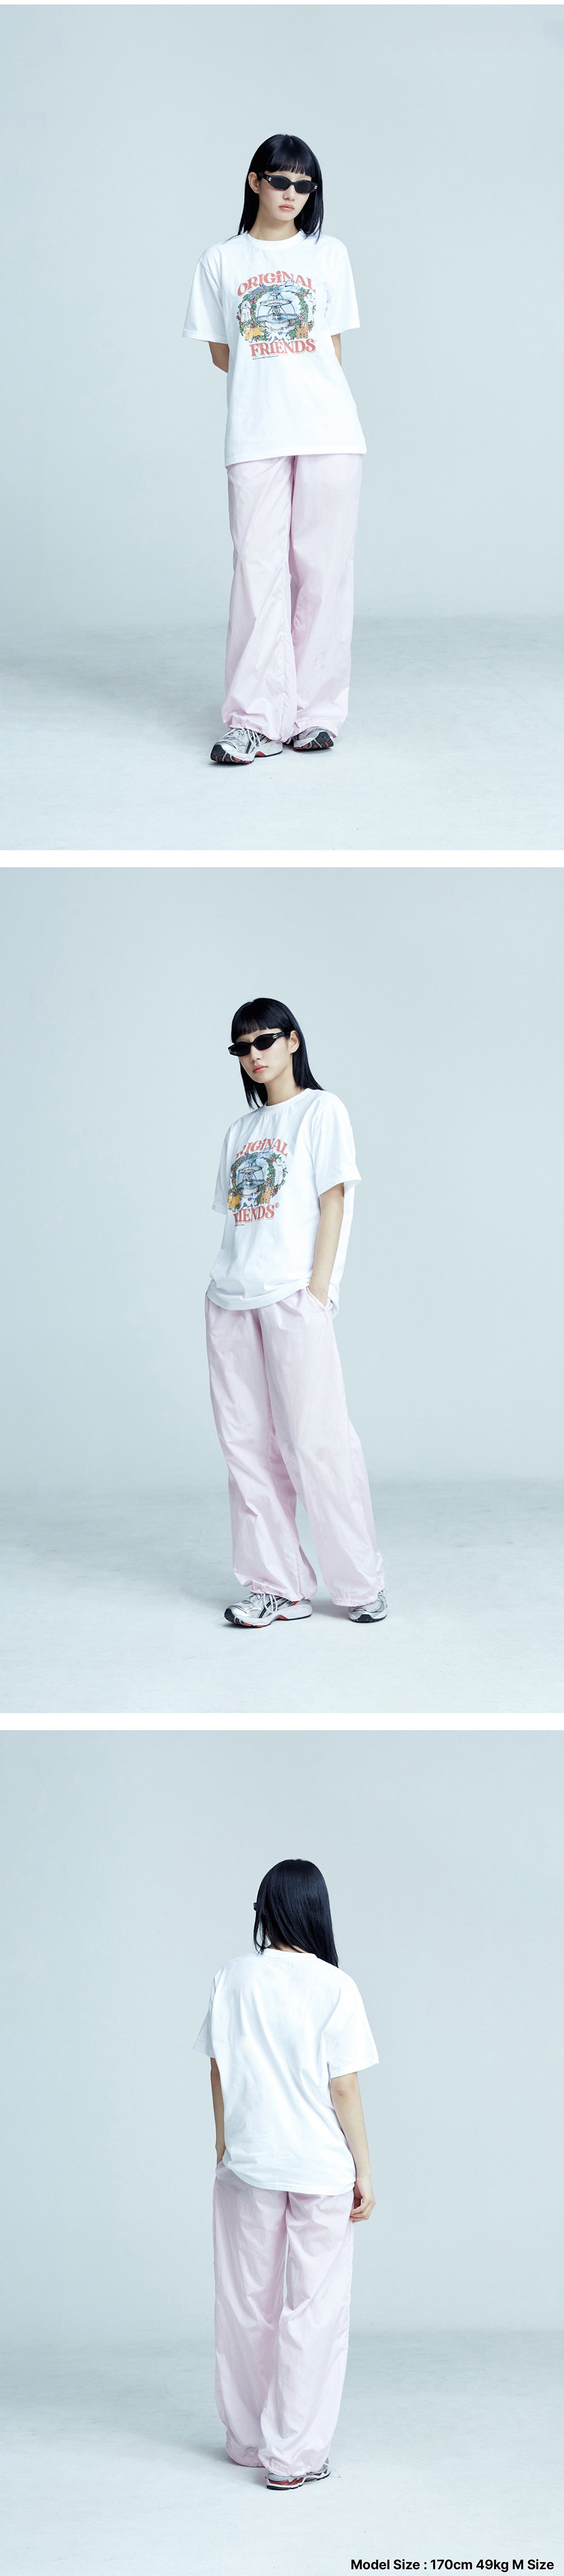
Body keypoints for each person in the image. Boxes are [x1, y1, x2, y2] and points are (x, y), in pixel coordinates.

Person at [183, 133, 366, 765]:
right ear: (255, 181)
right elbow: (222, 353)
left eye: (304, 185)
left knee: (323, 573)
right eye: (280, 181)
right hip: (256, 431)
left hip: (329, 431)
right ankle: (254, 720)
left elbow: (332, 349)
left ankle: (316, 714)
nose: (292, 194)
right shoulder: (221, 261)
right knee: (257, 574)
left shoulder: (329, 254)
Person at [195, 1857, 377, 2488]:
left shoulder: (231, 1977)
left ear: (265, 1911)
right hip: (321, 2167)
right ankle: (294, 2456)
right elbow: (343, 2087)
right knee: (313, 2309)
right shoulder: (336, 1986)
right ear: (317, 1911)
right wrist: (365, 2170)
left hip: (249, 2164)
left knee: (246, 2304)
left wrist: (223, 2140)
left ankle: (248, 2441)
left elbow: (216, 2068)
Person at [205, 996, 387, 1625]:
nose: (254, 1055)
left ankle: (359, 1584)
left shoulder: (321, 1110)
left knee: (317, 1441)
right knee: (246, 1449)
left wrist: (318, 1292)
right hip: (230, 1301)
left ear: (291, 1040)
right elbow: (241, 1220)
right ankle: (276, 1585)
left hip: (291, 1296)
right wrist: (222, 1288)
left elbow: (334, 1203)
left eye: (264, 1041)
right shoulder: (239, 1132)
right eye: (242, 1047)